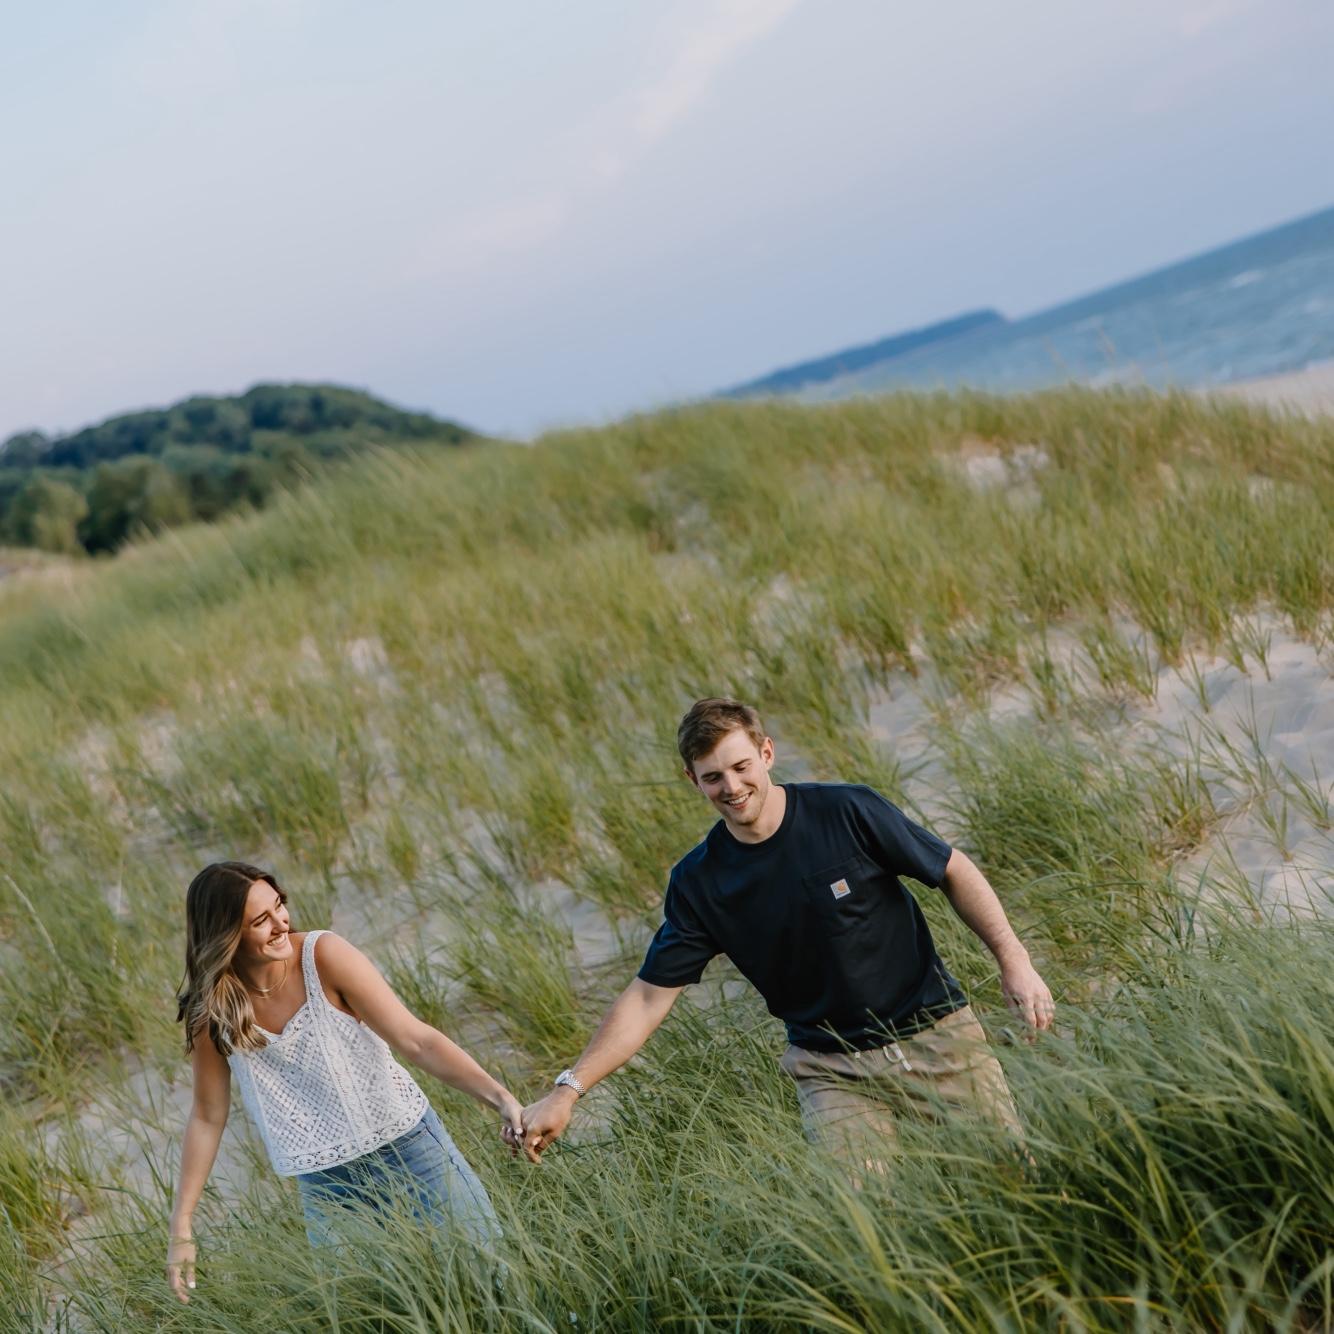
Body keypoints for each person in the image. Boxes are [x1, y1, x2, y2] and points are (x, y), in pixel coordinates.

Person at [520, 698, 1054, 1168]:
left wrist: (1015, 961)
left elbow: (954, 869)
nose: (731, 787)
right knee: (863, 1222)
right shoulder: (700, 881)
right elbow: (646, 997)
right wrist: (568, 1090)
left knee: (1011, 1176)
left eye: (741, 766)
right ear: (692, 780)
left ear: (767, 753)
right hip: (831, 1068)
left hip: (935, 1036)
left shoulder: (847, 811)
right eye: (712, 777)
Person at [166, 861, 531, 1304]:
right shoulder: (214, 1012)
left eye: (279, 905)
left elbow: (416, 1040)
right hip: (328, 1186)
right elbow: (207, 1116)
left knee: (496, 1279)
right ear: (226, 935)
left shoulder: (324, 956)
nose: (281, 922)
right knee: (368, 1310)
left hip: (412, 1150)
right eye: (260, 920)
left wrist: (501, 1098)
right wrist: (182, 1225)